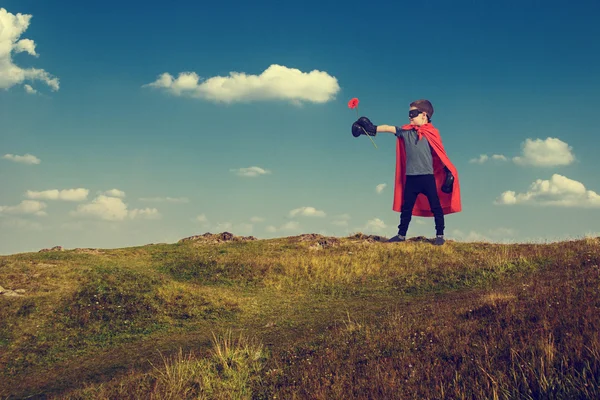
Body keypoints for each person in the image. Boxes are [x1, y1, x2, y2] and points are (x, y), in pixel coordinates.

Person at [351, 99, 461, 245]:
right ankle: (401, 235)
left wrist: (448, 172)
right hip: (411, 178)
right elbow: (390, 128)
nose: (410, 116)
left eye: (413, 113)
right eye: (409, 113)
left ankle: (440, 235)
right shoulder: (406, 131)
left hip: (427, 177)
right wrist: (371, 128)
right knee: (406, 208)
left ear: (424, 115)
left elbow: (441, 155)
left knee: (436, 206)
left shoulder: (432, 133)